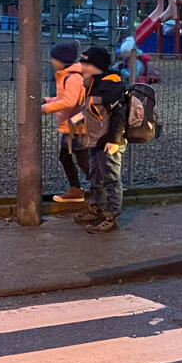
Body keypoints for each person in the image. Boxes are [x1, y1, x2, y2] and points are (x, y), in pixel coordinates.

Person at [73, 47, 128, 234]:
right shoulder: (93, 83)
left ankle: (111, 216)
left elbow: (118, 114)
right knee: (95, 177)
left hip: (108, 142)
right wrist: (75, 120)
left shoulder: (110, 85)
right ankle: (96, 209)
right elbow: (90, 109)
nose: (81, 66)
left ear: (96, 66)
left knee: (111, 180)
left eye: (85, 63)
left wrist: (114, 140)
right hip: (95, 141)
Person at [41, 41, 89, 203]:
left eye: (54, 58)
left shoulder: (72, 77)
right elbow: (65, 98)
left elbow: (69, 101)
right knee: (69, 157)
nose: (52, 61)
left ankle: (99, 190)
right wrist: (47, 100)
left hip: (77, 127)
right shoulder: (69, 75)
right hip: (73, 126)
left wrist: (46, 108)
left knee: (83, 161)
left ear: (62, 60)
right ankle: (78, 189)